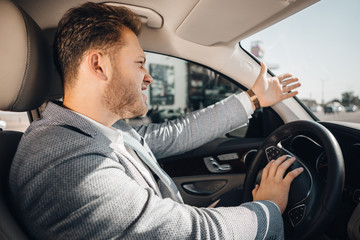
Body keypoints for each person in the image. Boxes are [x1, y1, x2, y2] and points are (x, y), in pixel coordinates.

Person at [9, 2, 303, 239]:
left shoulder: (96, 131)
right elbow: (192, 234)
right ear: (98, 65)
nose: (149, 77)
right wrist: (270, 207)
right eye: (139, 63)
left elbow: (178, 133)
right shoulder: (65, 160)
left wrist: (254, 99)